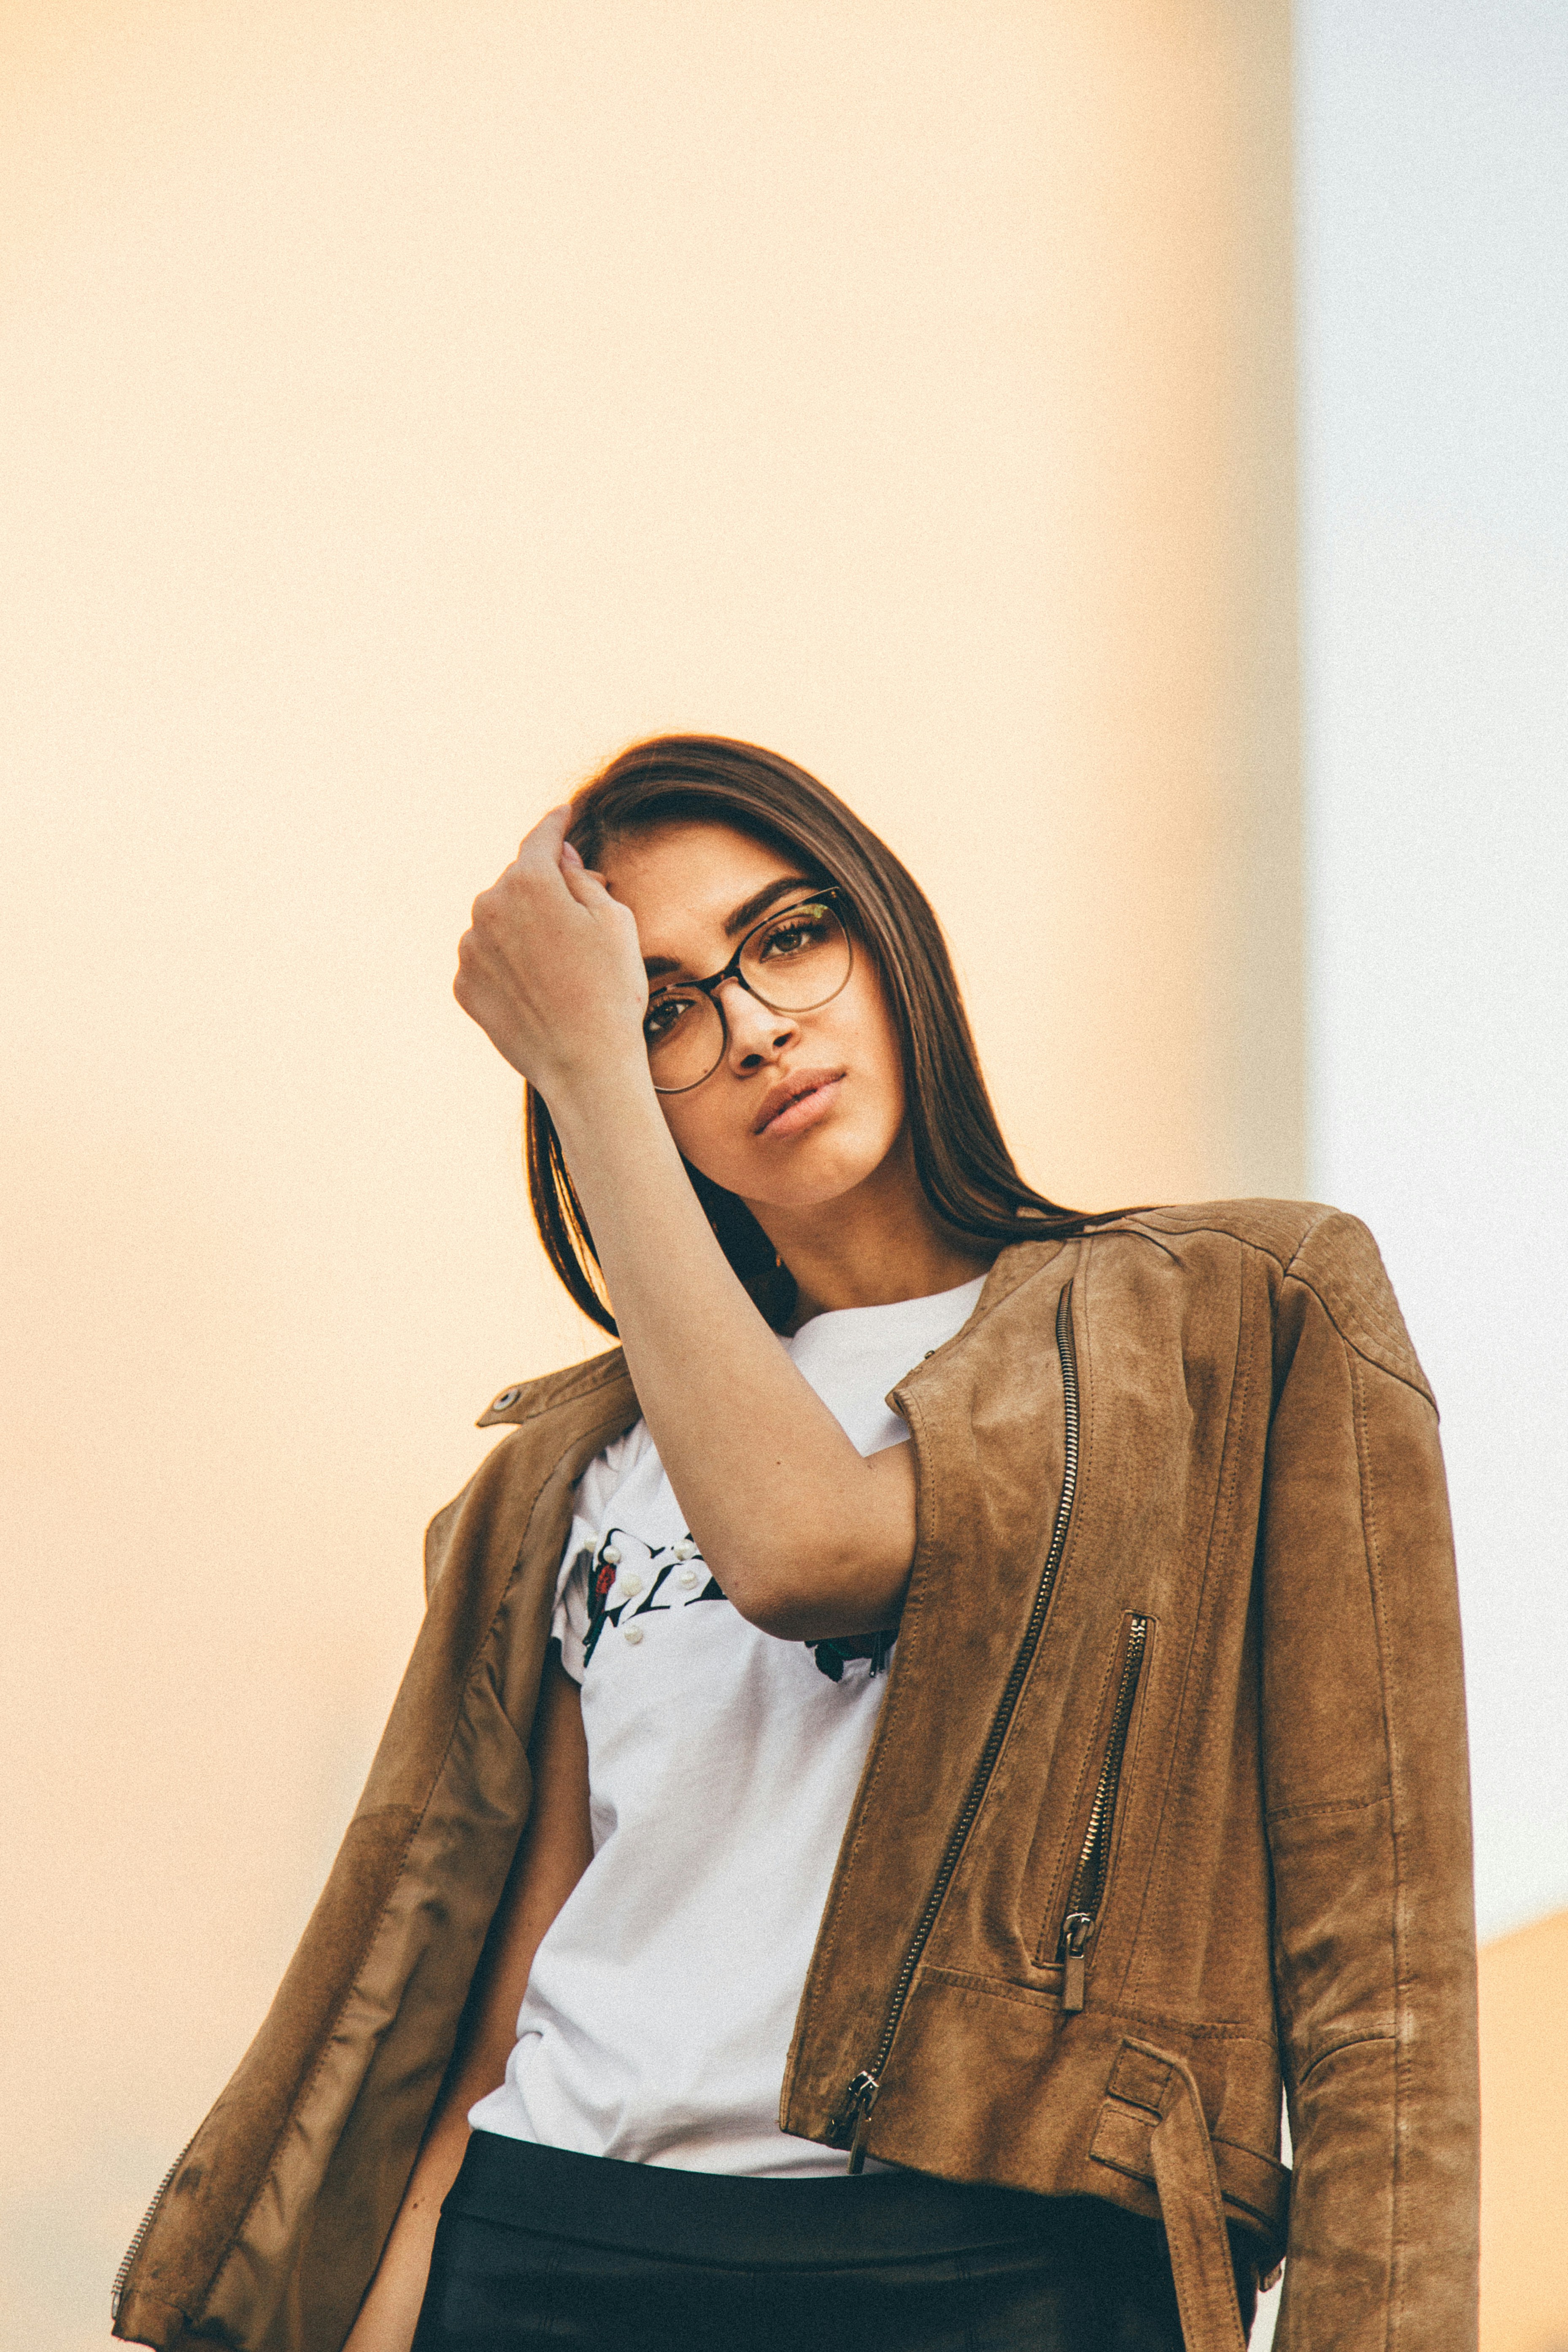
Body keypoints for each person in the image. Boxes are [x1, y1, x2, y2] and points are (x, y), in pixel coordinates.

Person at [111, 737, 1479, 2352]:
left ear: (887, 939)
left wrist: (584, 1068)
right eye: (662, 1011)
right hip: (549, 2236)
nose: (755, 1028)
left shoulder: (1226, 1322)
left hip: (996, 2275)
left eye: (788, 935)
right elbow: (510, 2010)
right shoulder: (575, 1466)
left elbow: (1380, 1990)